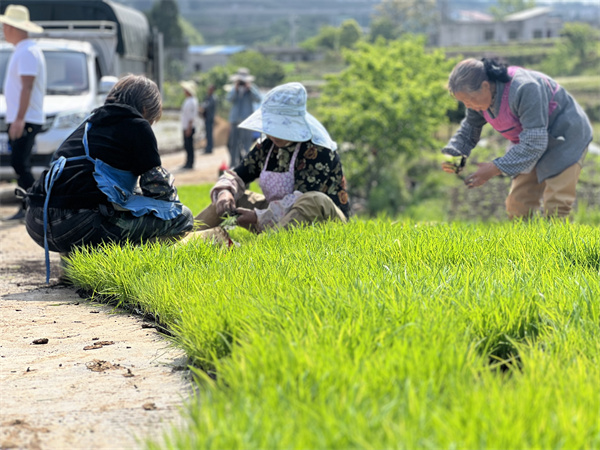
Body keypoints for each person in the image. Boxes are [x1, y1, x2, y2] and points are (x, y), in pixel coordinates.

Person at [24, 74, 194, 282]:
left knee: (94, 198)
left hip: (37, 221)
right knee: (182, 217)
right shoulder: (137, 125)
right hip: (79, 224)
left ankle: (72, 267)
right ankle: (134, 269)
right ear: (146, 110)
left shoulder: (88, 123)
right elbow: (160, 193)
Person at [442, 58, 593, 219]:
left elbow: (535, 142)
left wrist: (494, 168)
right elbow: (469, 129)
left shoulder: (524, 88)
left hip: (565, 137)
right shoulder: (477, 102)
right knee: (518, 205)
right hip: (528, 141)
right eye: (463, 101)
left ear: (485, 86)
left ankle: (558, 244)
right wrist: (455, 153)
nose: (468, 106)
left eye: (469, 99)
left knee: (556, 206)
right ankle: (526, 244)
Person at [194, 82, 350, 234]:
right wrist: (226, 192)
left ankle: (265, 248)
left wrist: (257, 217)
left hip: (321, 219)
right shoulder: (267, 146)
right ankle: (182, 239)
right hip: (276, 215)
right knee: (232, 199)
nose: (273, 134)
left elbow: (301, 200)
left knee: (314, 200)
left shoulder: (318, 150)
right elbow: (239, 174)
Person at [0, 4, 46, 221]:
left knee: (21, 163)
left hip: (25, 118)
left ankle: (31, 205)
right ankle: (29, 205)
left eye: (6, 25)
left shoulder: (27, 51)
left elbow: (27, 86)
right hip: (23, 117)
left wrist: (19, 119)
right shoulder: (24, 49)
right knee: (20, 162)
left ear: (14, 27)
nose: (3, 29)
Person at [226, 68, 262, 167]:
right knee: (233, 145)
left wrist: (249, 88)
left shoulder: (251, 88)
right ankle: (233, 166)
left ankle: (246, 166)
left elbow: (258, 99)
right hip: (235, 121)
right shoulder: (234, 88)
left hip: (247, 122)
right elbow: (228, 99)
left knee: (246, 145)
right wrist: (236, 89)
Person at [179, 80, 198, 169]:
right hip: (186, 126)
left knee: (189, 145)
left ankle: (190, 163)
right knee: (187, 145)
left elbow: (191, 117)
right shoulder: (188, 100)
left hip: (188, 127)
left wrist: (189, 128)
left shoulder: (192, 101)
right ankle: (188, 161)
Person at [200, 84, 217, 154]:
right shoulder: (208, 97)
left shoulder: (213, 98)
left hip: (210, 118)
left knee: (209, 134)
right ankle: (208, 147)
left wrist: (201, 107)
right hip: (207, 118)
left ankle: (209, 148)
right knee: (207, 134)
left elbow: (206, 106)